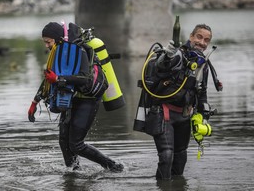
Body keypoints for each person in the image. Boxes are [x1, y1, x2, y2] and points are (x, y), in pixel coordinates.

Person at [27, 22, 124, 172]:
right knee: (63, 141)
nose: (46, 46)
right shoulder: (57, 53)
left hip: (88, 99)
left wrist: (59, 79)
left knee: (76, 144)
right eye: (44, 42)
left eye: (48, 42)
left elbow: (85, 79)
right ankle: (74, 172)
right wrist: (35, 102)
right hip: (72, 98)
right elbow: (48, 79)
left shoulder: (79, 50)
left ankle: (113, 166)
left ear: (58, 39)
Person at [140, 24, 222, 180]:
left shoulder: (202, 64)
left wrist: (203, 115)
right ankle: (164, 185)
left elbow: (201, 92)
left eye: (206, 40)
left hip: (184, 116)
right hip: (164, 113)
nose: (202, 42)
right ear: (191, 36)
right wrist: (167, 55)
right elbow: (162, 67)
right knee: (166, 156)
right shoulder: (177, 55)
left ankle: (174, 186)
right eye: (199, 37)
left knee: (180, 158)